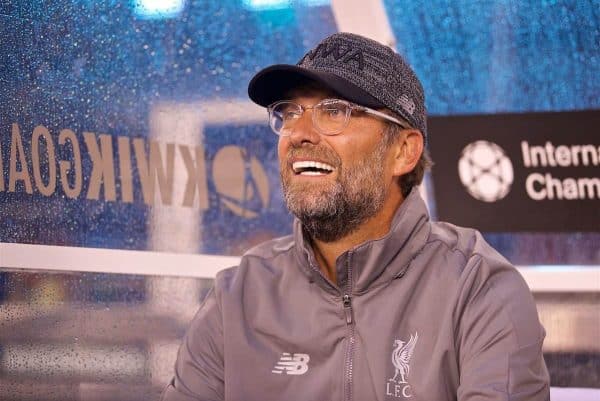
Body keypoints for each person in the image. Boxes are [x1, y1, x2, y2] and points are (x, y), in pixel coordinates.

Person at [161, 32, 550, 401]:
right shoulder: (238, 297)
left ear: (403, 151)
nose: (299, 133)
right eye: (290, 112)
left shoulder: (477, 290)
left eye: (334, 111)